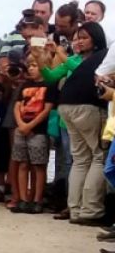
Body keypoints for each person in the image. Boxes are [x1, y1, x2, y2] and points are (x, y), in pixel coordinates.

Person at [39, 21, 108, 225]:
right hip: (85, 107)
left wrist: (62, 55)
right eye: (77, 37)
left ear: (96, 40)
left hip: (68, 107)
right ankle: (90, 210)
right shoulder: (100, 59)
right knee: (98, 156)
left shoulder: (90, 58)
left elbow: (79, 69)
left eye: (84, 37)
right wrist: (41, 59)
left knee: (80, 159)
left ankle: (76, 209)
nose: (78, 41)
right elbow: (51, 77)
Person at [11, 56, 56, 214]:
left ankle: (37, 199)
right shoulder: (25, 85)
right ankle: (24, 199)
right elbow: (17, 106)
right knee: (22, 164)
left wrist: (31, 125)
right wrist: (21, 124)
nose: (31, 68)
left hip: (38, 131)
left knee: (38, 165)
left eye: (35, 65)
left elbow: (47, 109)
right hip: (21, 129)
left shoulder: (49, 86)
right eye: (29, 65)